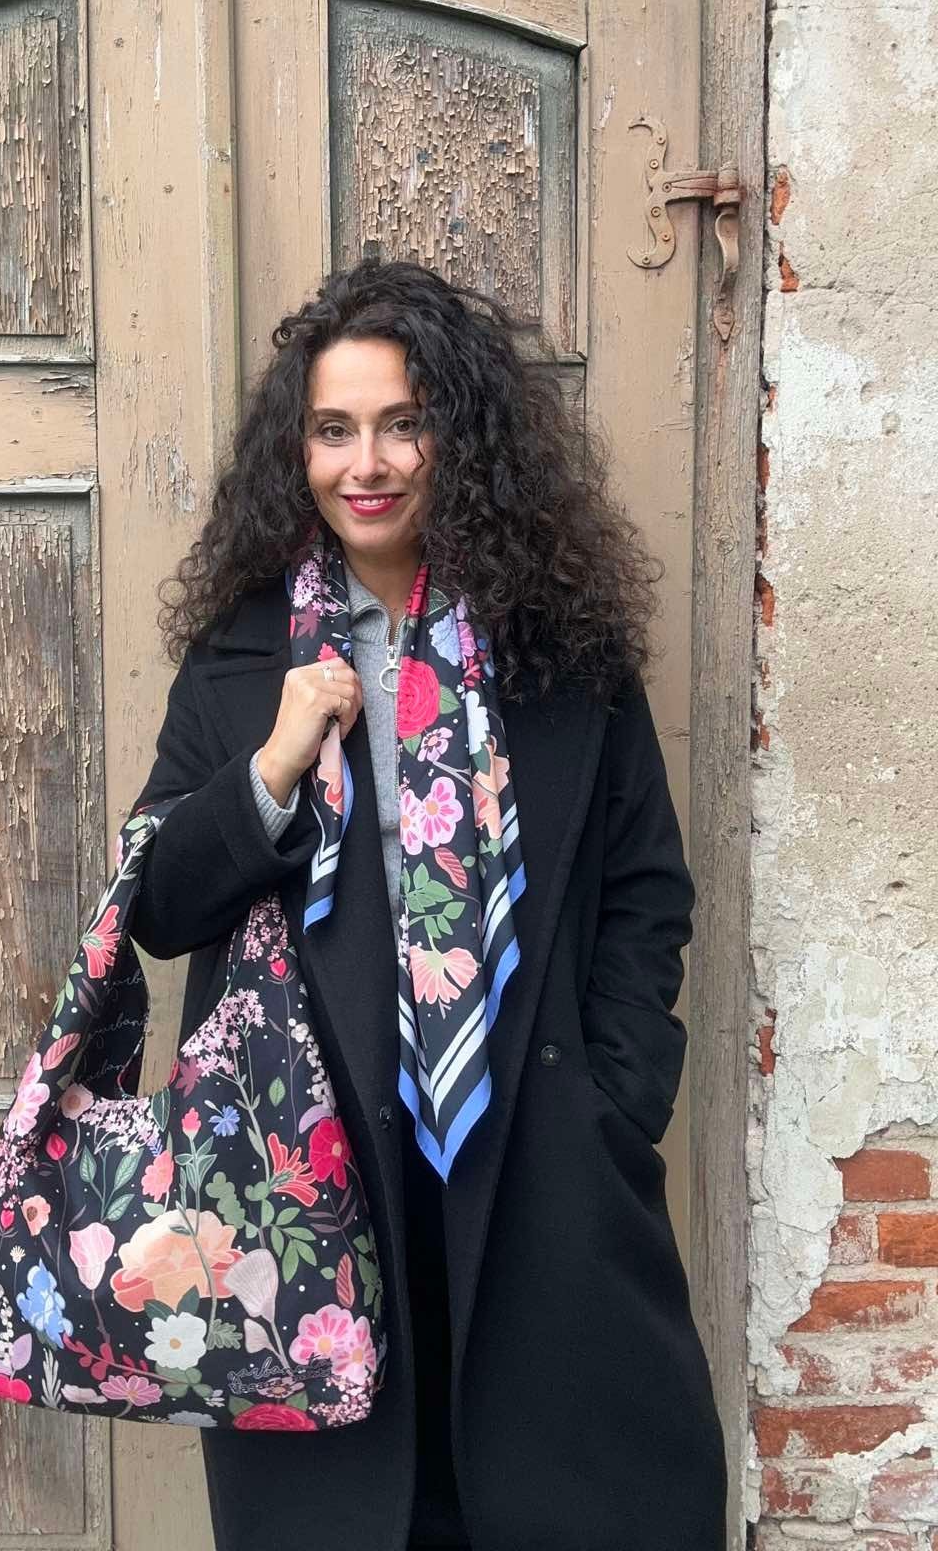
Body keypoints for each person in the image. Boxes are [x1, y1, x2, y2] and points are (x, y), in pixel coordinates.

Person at [128, 258, 727, 1551]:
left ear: (460, 435)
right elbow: (159, 905)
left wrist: (612, 1106)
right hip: (307, 1176)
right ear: (297, 452)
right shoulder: (243, 659)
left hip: (536, 1162)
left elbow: (646, 894)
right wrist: (273, 768)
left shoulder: (561, 650)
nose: (369, 463)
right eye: (335, 430)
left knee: (553, 1492)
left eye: (405, 422)